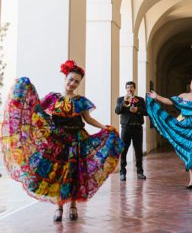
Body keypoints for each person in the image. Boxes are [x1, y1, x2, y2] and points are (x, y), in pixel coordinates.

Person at [0, 60, 123, 222]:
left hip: (77, 141)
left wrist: (104, 127)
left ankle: (73, 206)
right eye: (71, 79)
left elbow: (88, 119)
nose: (73, 83)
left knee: (74, 174)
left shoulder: (80, 101)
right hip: (57, 142)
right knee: (58, 174)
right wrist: (25, 91)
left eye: (77, 81)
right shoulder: (52, 98)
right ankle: (59, 207)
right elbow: (36, 109)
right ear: (65, 78)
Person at [146, 77, 192, 189]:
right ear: (190, 84)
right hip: (185, 128)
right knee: (188, 153)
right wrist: (156, 97)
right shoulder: (183, 96)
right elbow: (169, 101)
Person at [115, 81, 148, 181]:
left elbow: (146, 112)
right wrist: (124, 103)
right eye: (128, 87)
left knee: (138, 151)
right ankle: (122, 173)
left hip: (138, 128)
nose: (130, 89)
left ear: (134, 89)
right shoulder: (121, 99)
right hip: (126, 128)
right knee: (123, 151)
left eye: (132, 87)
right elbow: (117, 111)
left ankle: (140, 172)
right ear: (126, 89)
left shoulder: (140, 100)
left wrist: (137, 109)